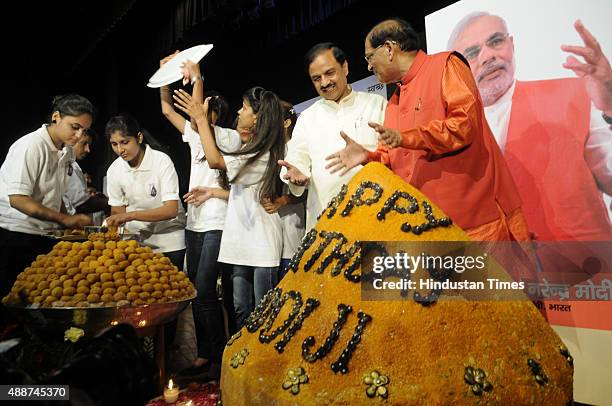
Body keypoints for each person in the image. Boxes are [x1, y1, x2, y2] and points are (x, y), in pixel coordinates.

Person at [326, 18, 530, 242]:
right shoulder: (394, 101)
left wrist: (407, 137)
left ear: (389, 48)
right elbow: (394, 159)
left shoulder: (446, 64)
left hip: (479, 224)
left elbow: (463, 125)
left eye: (369, 57)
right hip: (431, 230)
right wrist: (368, 156)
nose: (368, 66)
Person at [446, 13, 612, 248]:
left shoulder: (573, 98)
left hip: (590, 278)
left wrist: (610, 105)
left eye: (496, 42)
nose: (488, 56)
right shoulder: (448, 137)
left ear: (511, 45)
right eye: (472, 53)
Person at [174, 86, 285, 329]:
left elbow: (214, 160)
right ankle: (241, 361)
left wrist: (202, 118)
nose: (239, 111)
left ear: (257, 116)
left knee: (263, 312)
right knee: (240, 308)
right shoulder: (246, 145)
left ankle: (262, 363)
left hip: (262, 244)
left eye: (244, 107)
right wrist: (195, 78)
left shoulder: (262, 153)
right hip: (240, 240)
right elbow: (201, 131)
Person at [158, 54, 237, 378]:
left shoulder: (228, 138)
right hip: (194, 223)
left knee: (205, 288)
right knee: (195, 289)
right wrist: (163, 76)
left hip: (219, 221)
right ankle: (207, 353)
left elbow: (199, 112)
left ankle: (218, 354)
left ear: (213, 114)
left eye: (202, 110)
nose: (195, 115)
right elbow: (165, 109)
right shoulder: (192, 136)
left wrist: (198, 76)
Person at [279, 42, 387, 230]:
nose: (324, 83)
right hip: (327, 221)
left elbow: (394, 155)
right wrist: (297, 173)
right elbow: (297, 157)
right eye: (316, 78)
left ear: (344, 67)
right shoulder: (307, 118)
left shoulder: (376, 103)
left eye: (329, 73)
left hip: (376, 214)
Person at [0, 94, 94, 297]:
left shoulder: (67, 151)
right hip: (16, 236)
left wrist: (67, 224)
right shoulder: (30, 146)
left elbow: (56, 191)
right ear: (56, 116)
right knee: (16, 303)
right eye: (74, 127)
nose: (79, 136)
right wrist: (66, 218)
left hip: (43, 235)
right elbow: (18, 199)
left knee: (42, 300)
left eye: (84, 130)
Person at [104, 114, 186, 268]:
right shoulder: (114, 170)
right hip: (135, 245)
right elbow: (118, 214)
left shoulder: (161, 161)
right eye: (114, 144)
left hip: (170, 240)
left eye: (125, 142)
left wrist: (130, 216)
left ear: (139, 137)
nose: (120, 150)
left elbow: (171, 210)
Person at [262, 100, 306, 280]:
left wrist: (282, 201)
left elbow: (308, 189)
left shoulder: (298, 148)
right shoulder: (267, 151)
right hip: (269, 230)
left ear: (287, 123)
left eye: (272, 119)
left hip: (292, 225)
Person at [62, 128, 109, 225]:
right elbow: (81, 204)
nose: (88, 150)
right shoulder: (65, 165)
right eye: (84, 144)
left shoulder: (72, 165)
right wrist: (109, 203)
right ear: (71, 140)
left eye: (88, 145)